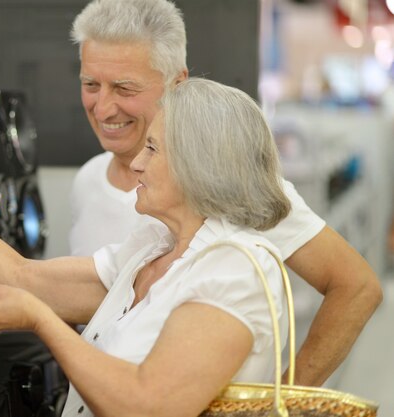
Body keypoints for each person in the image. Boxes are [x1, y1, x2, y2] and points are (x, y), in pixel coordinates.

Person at [67, 0, 382, 386]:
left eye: (124, 88)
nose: (102, 107)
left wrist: (285, 399)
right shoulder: (87, 181)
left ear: (177, 84)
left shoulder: (235, 189)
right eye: (90, 85)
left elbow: (356, 286)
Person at [0, 78, 292, 417]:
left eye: (152, 148)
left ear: (199, 166)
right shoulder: (154, 248)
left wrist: (40, 321)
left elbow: (146, 406)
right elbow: (27, 280)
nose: (137, 161)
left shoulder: (236, 268)